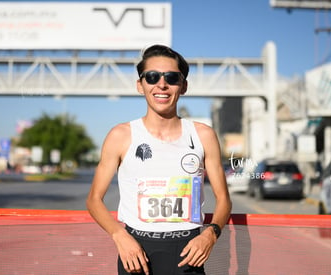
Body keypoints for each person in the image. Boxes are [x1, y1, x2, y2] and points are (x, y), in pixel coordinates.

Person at [86, 44, 232, 275]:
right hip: (136, 253)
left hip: (189, 253)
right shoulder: (120, 136)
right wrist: (119, 235)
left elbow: (224, 199)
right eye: (152, 76)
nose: (161, 84)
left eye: (172, 78)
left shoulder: (203, 135)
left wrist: (211, 234)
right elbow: (94, 200)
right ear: (140, 84)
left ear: (183, 86)